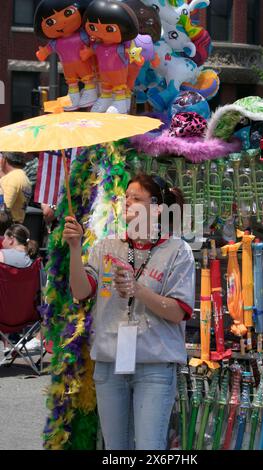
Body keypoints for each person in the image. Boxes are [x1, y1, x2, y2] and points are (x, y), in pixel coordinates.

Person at [63, 173, 196, 450]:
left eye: (136, 198)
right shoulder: (106, 246)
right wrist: (75, 249)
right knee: (115, 448)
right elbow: (80, 291)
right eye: (126, 197)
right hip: (110, 363)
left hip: (154, 365)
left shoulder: (177, 250)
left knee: (150, 447)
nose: (127, 203)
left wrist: (139, 290)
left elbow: (177, 312)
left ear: (157, 207)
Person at [0, 224, 40, 354]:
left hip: (3, 317)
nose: (3, 242)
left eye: (4, 239)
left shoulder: (2, 256)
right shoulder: (36, 262)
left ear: (11, 239)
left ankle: (7, 343)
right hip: (26, 318)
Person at [0, 152, 32, 224]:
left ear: (4, 160)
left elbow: (2, 211)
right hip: (16, 226)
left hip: (5, 229)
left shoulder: (11, 178)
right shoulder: (23, 178)